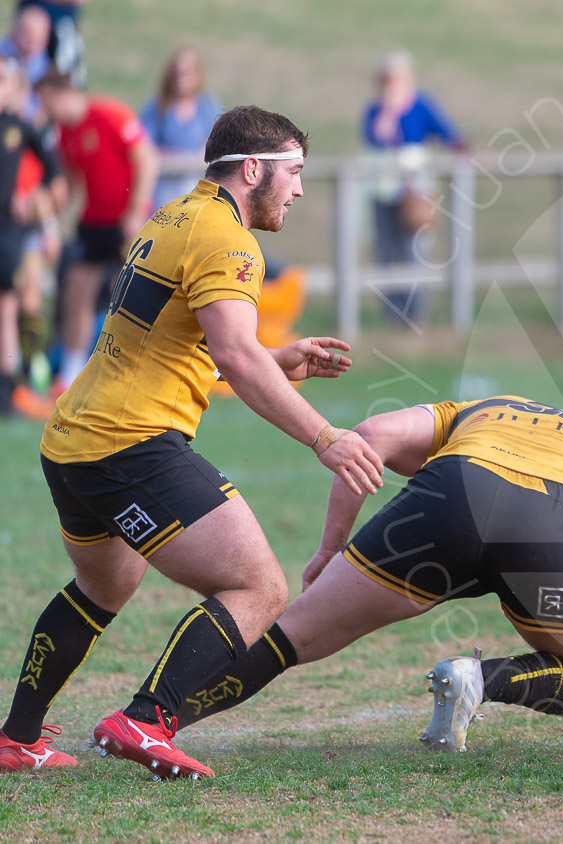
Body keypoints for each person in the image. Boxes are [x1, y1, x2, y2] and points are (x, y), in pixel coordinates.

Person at [0, 105, 384, 777]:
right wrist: (325, 438)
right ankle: (146, 720)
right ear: (254, 169)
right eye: (293, 174)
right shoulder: (231, 241)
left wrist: (278, 356)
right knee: (259, 587)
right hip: (130, 446)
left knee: (105, 586)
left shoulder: (176, 214)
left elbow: (175, 336)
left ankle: (15, 738)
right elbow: (234, 355)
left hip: (73, 441)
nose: (297, 190)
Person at [161, 395, 563, 750]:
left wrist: (330, 548)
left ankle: (151, 720)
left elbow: (369, 437)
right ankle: (480, 680)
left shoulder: (480, 409)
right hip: (549, 525)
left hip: (450, 497)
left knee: (286, 638)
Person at [34, 69, 158, 391]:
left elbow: (146, 159)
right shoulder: (65, 133)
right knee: (77, 288)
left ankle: (132, 370)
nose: (46, 111)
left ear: (64, 93)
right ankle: (71, 375)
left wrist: (136, 211)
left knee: (128, 293)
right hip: (94, 220)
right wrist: (56, 223)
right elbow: (74, 182)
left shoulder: (108, 114)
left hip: (127, 219)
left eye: (48, 103)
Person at [361, 50, 465, 325]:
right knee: (386, 250)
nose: (390, 84)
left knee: (414, 249)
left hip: (414, 191)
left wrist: (468, 149)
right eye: (385, 79)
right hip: (381, 188)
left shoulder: (421, 106)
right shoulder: (375, 110)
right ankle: (392, 314)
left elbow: (448, 134)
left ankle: (416, 313)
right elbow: (376, 137)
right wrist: (389, 111)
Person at [0, 57, 59, 418]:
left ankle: (9, 387)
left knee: (7, 308)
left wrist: (34, 199)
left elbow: (53, 169)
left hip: (6, 231)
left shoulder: (18, 127)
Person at [140, 46, 223, 212]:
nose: (181, 79)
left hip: (196, 186)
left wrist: (171, 155)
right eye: (177, 74)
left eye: (186, 74)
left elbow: (216, 148)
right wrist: (192, 158)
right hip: (163, 188)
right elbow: (145, 150)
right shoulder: (157, 107)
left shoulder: (207, 106)